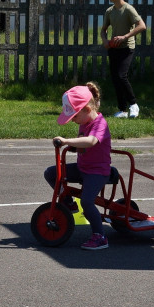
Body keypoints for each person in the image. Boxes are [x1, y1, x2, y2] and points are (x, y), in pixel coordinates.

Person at [45, 82, 112, 250]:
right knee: (51, 174)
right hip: (84, 168)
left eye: (74, 116)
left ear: (87, 110)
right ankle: (68, 202)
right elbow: (83, 146)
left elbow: (91, 141)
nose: (73, 121)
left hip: (97, 172)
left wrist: (67, 141)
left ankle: (100, 236)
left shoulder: (100, 124)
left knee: (87, 202)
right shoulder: (84, 122)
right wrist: (74, 146)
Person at [100, 0, 146, 118]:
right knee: (115, 78)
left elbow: (142, 26)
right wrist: (105, 41)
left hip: (127, 47)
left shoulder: (128, 9)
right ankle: (122, 110)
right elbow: (103, 30)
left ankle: (133, 104)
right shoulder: (109, 11)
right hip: (114, 48)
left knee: (121, 75)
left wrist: (125, 36)